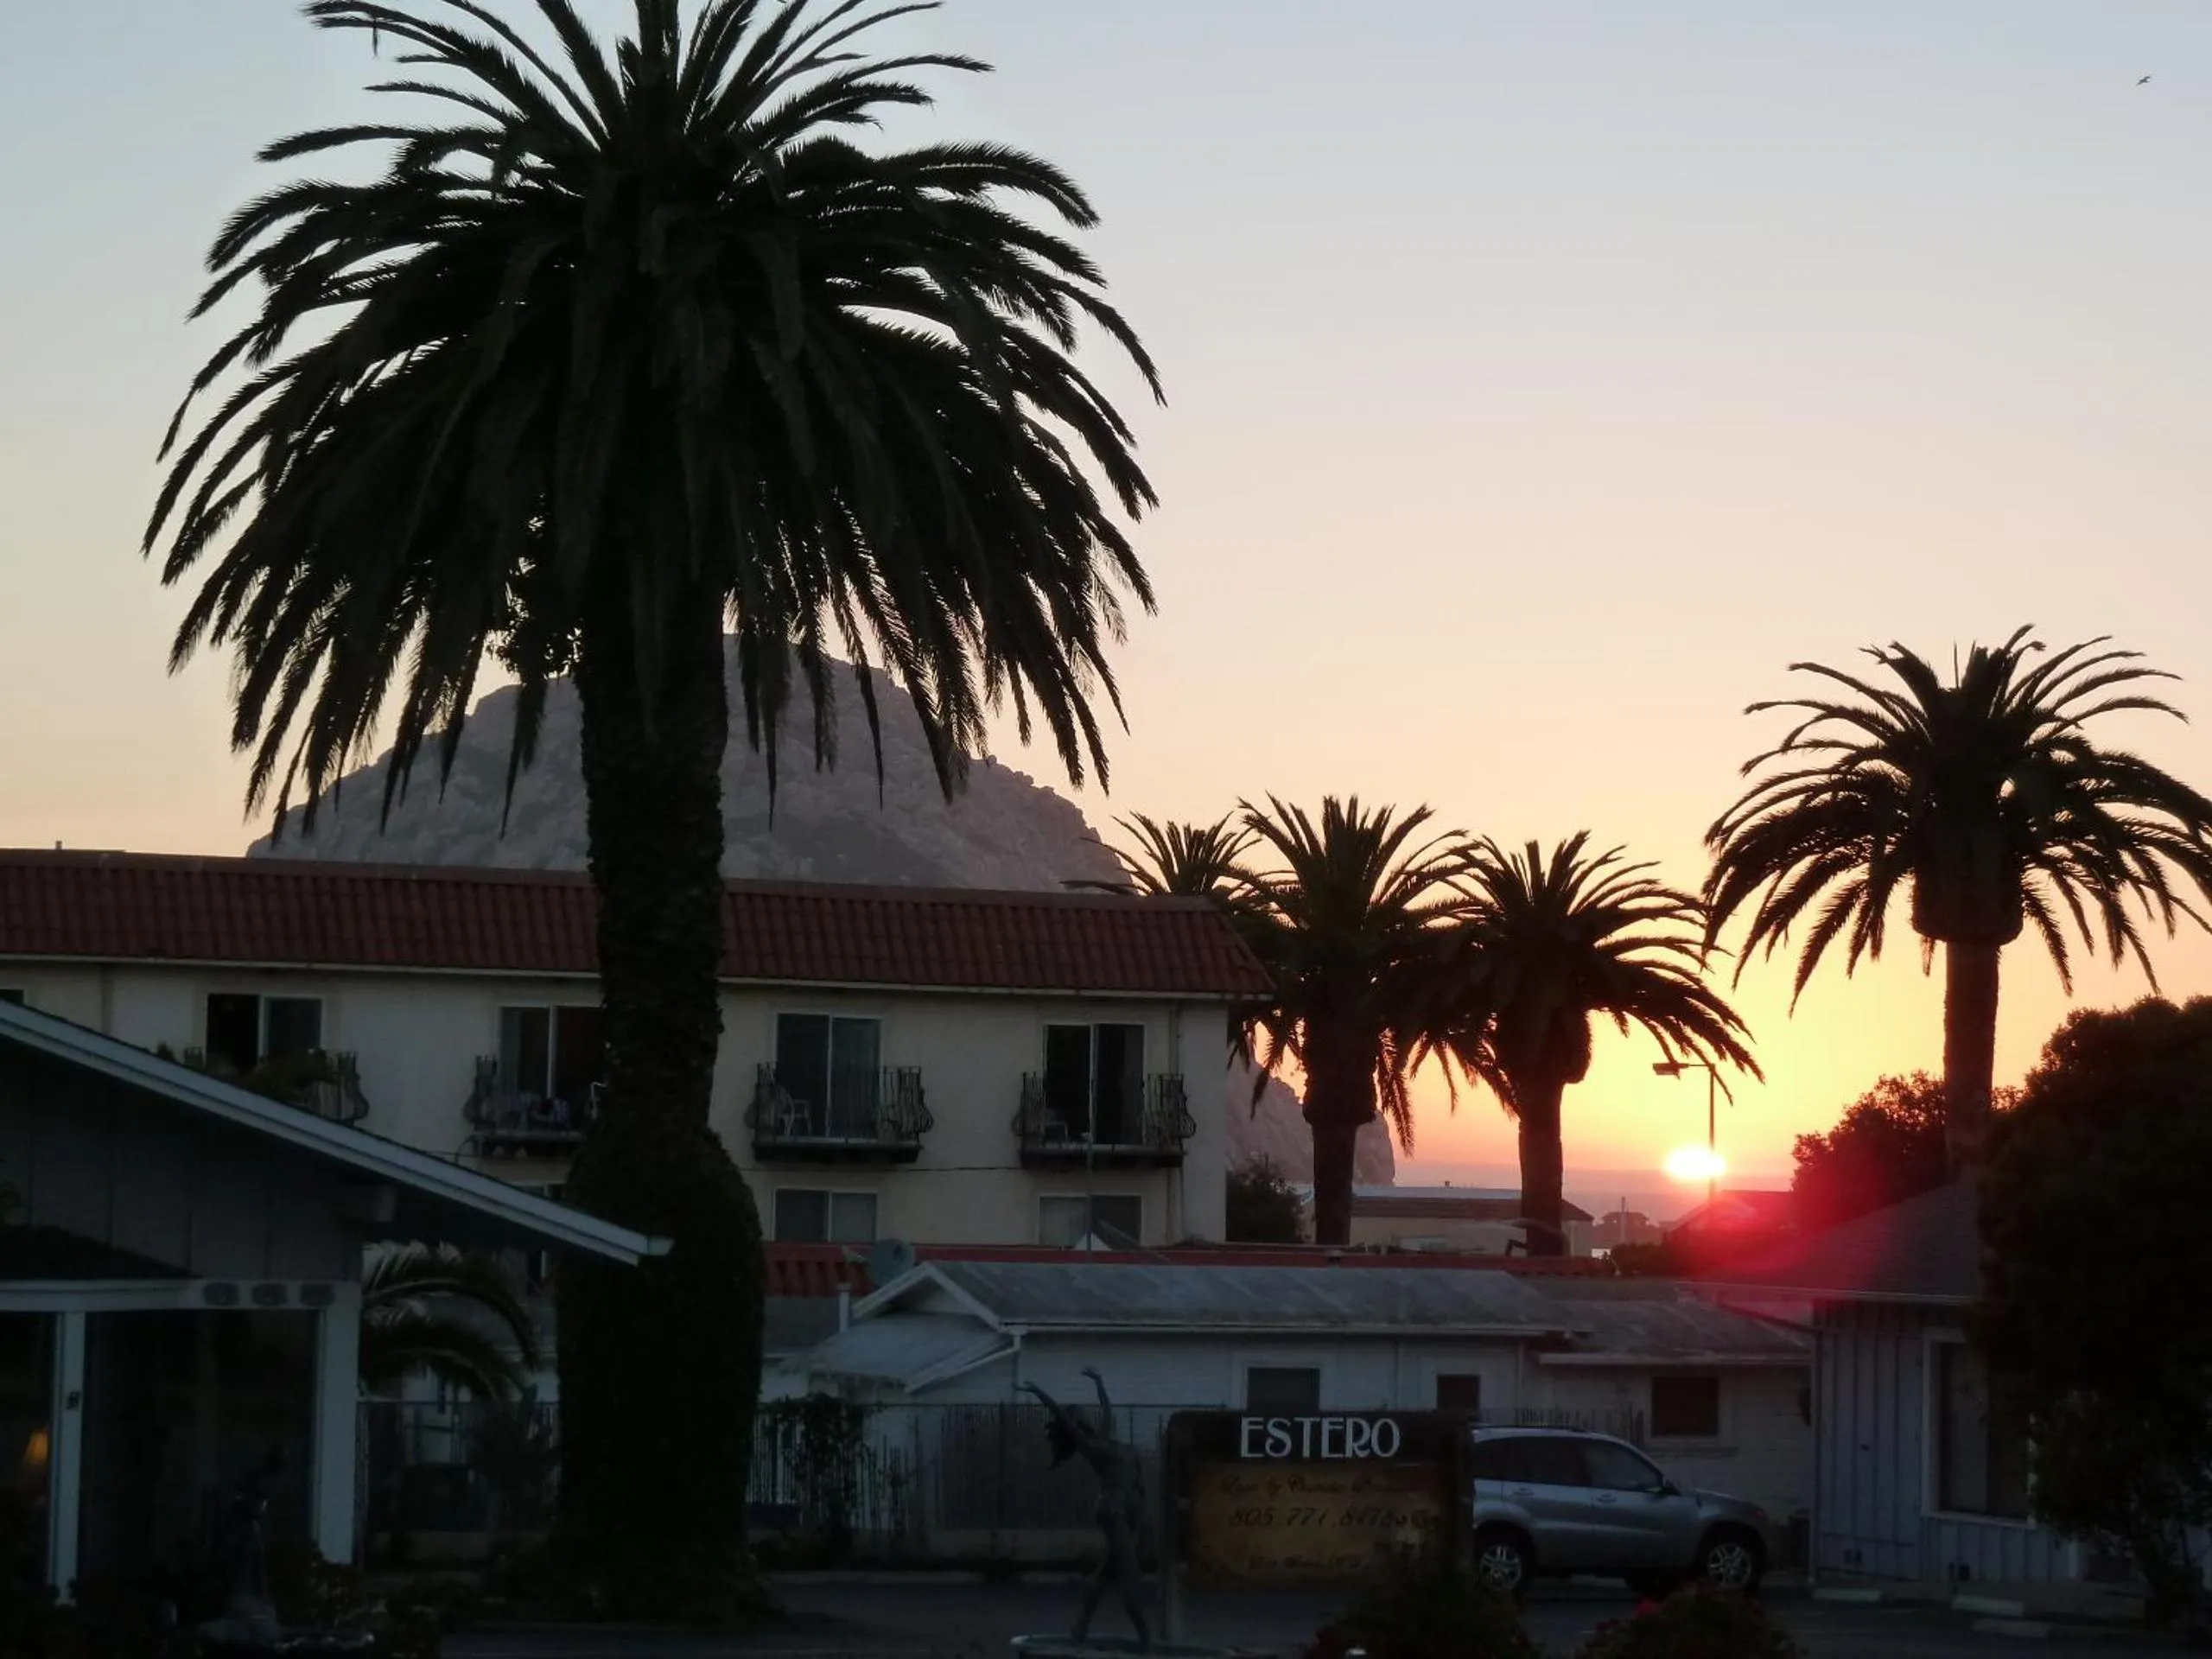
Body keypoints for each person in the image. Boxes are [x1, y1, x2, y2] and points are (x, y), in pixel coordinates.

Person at [1021, 1368, 1150, 1649]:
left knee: (1107, 1570)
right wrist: (1040, 1393)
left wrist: (1099, 1382)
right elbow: (1064, 1421)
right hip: (1113, 1510)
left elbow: (1107, 1408)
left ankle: (1080, 1626)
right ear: (1075, 1422)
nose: (1083, 1414)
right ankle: (1146, 1638)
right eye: (1077, 1414)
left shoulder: (1104, 1436)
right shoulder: (1090, 1446)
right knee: (1130, 1573)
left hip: (1130, 1510)